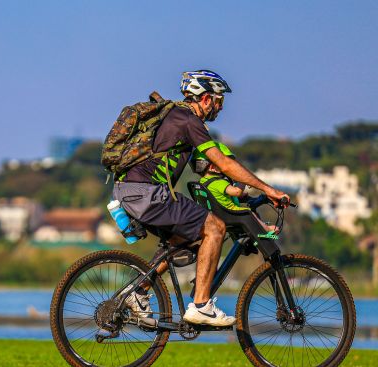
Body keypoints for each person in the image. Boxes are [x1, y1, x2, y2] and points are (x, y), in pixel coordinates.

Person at [115, 69, 289, 326]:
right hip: (147, 193)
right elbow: (224, 165)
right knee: (215, 227)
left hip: (132, 190)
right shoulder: (188, 120)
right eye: (219, 101)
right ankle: (200, 305)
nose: (220, 107)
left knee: (187, 239)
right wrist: (268, 189)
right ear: (206, 98)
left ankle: (137, 292)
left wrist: (236, 189)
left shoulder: (177, 117)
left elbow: (206, 167)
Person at [192, 142, 278, 234]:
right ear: (213, 167)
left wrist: (242, 196)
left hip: (216, 216)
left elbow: (220, 196)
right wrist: (242, 179)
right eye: (224, 163)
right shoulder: (218, 182)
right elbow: (237, 192)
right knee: (248, 213)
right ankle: (266, 229)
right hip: (230, 214)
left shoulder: (203, 182)